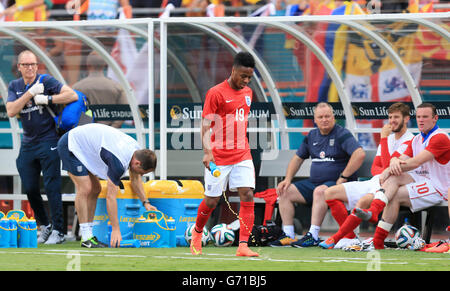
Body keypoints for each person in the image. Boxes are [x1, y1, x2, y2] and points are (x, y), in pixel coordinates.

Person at [323, 102, 449, 249]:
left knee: (386, 190)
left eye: (425, 117)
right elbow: (384, 164)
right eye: (419, 117)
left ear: (435, 118)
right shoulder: (415, 139)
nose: (421, 120)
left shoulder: (436, 137)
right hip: (390, 181)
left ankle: (345, 236)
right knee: (328, 192)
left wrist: (389, 167)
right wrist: (393, 163)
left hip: (438, 187)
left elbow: (413, 163)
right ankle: (374, 235)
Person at [190, 52, 259, 257]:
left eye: (249, 78)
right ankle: (197, 233)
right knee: (211, 201)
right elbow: (205, 125)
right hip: (218, 157)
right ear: (233, 70)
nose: (246, 81)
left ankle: (243, 245)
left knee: (247, 194)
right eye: (243, 76)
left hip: (242, 154)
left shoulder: (248, 93)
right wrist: (207, 152)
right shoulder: (216, 93)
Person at [6, 50, 78, 244]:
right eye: (26, 65)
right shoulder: (15, 86)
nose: (30, 68)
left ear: (37, 66)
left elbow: (71, 95)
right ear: (19, 67)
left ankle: (59, 231)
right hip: (28, 144)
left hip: (49, 140)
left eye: (33, 64)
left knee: (52, 186)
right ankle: (45, 226)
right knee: (29, 187)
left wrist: (48, 99)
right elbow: (11, 110)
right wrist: (30, 93)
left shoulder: (46, 81)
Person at [269, 102, 366, 247]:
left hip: (337, 185)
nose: (324, 120)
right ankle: (289, 235)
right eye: (320, 117)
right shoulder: (312, 135)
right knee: (285, 191)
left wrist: (344, 176)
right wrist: (287, 179)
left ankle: (313, 235)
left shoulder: (341, 134)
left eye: (327, 116)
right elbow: (297, 159)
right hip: (314, 183)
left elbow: (359, 154)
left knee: (320, 191)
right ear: (315, 120)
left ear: (333, 117)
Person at [320, 102, 414, 248]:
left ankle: (336, 238)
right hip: (376, 180)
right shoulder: (389, 138)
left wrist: (383, 139)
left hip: (391, 185)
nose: (391, 121)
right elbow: (375, 167)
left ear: (406, 119)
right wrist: (384, 168)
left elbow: (390, 166)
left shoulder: (410, 140)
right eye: (390, 117)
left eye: (396, 117)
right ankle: (349, 237)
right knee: (329, 193)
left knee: (363, 202)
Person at [57, 123, 157, 248]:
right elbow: (110, 197)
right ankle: (86, 237)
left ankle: (88, 237)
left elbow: (135, 180)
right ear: (137, 163)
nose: (140, 176)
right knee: (86, 188)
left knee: (96, 189)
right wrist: (115, 229)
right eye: (142, 173)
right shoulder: (119, 161)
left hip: (87, 146)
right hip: (70, 144)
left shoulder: (136, 150)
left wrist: (146, 203)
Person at [72, 51, 128, 128]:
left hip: (87, 131)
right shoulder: (117, 87)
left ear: (88, 65)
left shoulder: (77, 87)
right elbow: (124, 111)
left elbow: (73, 112)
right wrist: (112, 128)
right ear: (104, 64)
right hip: (110, 132)